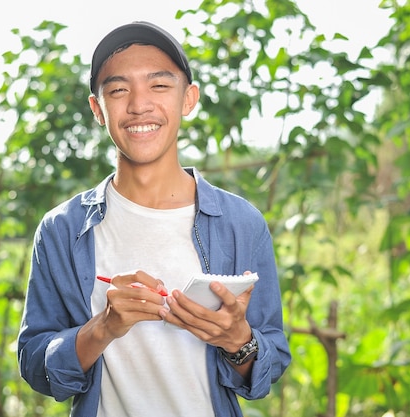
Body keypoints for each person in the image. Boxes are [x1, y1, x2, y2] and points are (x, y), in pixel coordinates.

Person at [17, 21, 291, 417]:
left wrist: (237, 339)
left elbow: (268, 368)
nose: (139, 104)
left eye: (159, 86)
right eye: (118, 90)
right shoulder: (61, 231)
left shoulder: (241, 223)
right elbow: (35, 367)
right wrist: (104, 326)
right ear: (98, 109)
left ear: (188, 99)